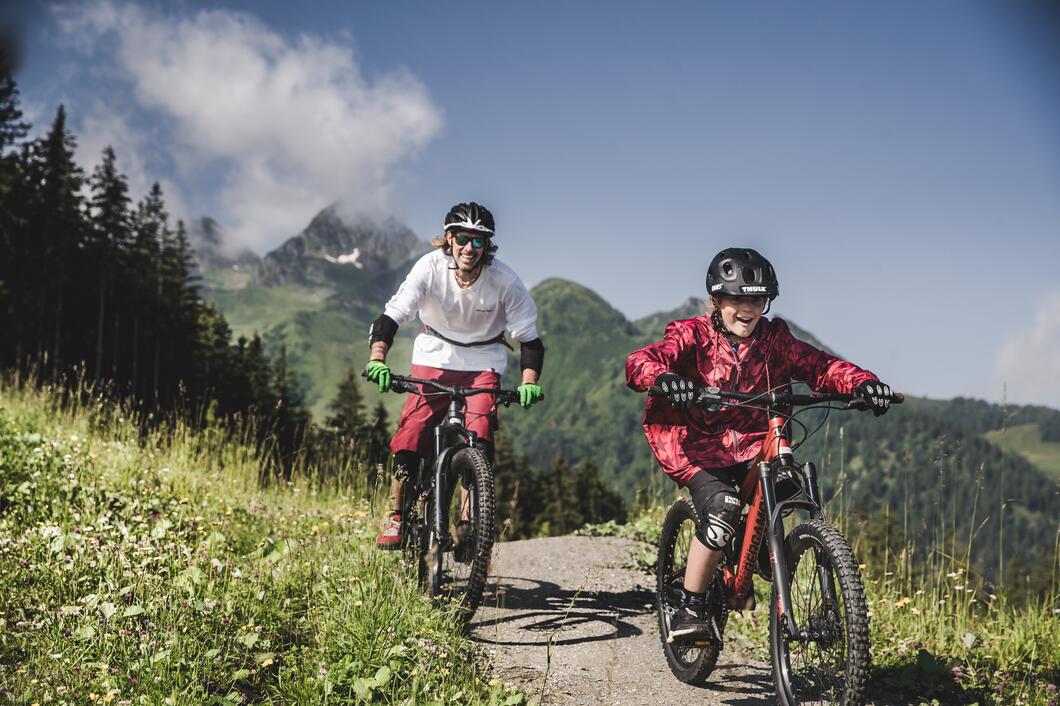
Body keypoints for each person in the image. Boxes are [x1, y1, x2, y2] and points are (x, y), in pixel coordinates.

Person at [625, 247, 892, 642]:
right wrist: (665, 379)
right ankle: (692, 605)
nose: (748, 308)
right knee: (721, 510)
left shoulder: (775, 340)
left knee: (787, 482)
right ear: (716, 300)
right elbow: (641, 361)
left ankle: (766, 555)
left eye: (757, 299)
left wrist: (863, 383)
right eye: (737, 298)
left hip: (754, 442)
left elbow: (821, 367)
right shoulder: (691, 335)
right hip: (699, 446)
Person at [365, 201, 545, 549]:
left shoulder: (505, 281)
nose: (469, 248)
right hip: (434, 353)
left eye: (478, 241)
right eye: (463, 238)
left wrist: (529, 383)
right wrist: (377, 359)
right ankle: (397, 516)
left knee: (479, 434)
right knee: (412, 430)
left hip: (483, 361)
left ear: (487, 245)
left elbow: (530, 341)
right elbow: (391, 316)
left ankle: (468, 517)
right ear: (449, 238)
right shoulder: (429, 268)